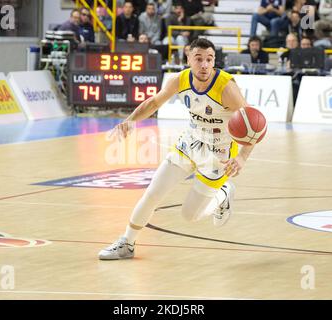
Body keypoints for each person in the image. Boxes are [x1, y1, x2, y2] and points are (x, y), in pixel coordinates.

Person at [98, 38, 257, 260]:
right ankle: (127, 242)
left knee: (190, 215)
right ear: (188, 58)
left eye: (209, 59)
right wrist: (131, 120)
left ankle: (222, 195)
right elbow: (153, 103)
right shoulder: (180, 79)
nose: (204, 65)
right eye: (199, 59)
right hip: (189, 143)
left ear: (214, 61)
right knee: (153, 193)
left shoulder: (226, 87)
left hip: (218, 155)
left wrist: (242, 157)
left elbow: (252, 123)